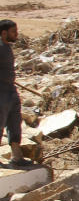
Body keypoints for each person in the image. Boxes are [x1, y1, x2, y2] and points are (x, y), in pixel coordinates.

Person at [0, 21, 34, 167]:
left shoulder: (6, 47)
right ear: (4, 33)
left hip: (10, 90)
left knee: (15, 123)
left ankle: (17, 157)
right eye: (14, 31)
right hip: (1, 92)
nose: (17, 34)